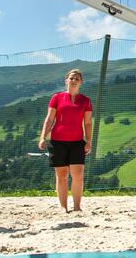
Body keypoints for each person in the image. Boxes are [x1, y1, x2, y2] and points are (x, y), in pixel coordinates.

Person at [39, 69, 93, 212]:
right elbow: (50, 119)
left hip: (77, 142)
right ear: (66, 81)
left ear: (81, 82)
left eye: (77, 78)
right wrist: (43, 137)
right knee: (61, 175)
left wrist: (88, 141)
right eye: (71, 78)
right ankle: (63, 207)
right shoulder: (56, 98)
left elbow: (87, 123)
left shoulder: (86, 101)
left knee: (78, 175)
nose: (74, 80)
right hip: (58, 141)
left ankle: (77, 207)